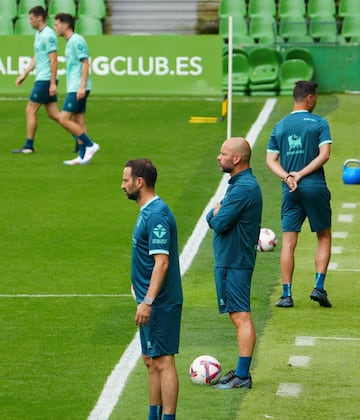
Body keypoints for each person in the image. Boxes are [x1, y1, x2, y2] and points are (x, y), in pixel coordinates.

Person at [121, 159, 183, 420]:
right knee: (150, 360)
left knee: (163, 361)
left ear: (139, 182)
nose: (122, 186)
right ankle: (153, 415)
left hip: (160, 302)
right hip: (151, 300)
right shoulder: (148, 211)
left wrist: (147, 301)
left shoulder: (156, 214)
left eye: (125, 180)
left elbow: (162, 262)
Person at [266, 80, 332, 308]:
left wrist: (288, 177)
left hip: (290, 190)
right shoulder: (319, 123)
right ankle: (318, 287)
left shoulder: (280, 125)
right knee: (323, 236)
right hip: (314, 186)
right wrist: (301, 174)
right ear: (310, 97)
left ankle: (286, 295)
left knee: (288, 242)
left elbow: (270, 160)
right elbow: (324, 155)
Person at [206, 137, 262, 389]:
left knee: (241, 316)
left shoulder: (243, 188)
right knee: (237, 315)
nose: (219, 157)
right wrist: (217, 212)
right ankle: (240, 372)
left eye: (223, 153)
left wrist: (216, 212)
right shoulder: (239, 184)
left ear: (237, 158)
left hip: (235, 260)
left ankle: (242, 375)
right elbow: (217, 215)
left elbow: (218, 222)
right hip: (232, 258)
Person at [54, 13, 99, 165]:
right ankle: (81, 157)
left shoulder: (76, 40)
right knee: (78, 121)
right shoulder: (70, 42)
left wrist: (81, 86)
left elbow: (85, 63)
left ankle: (90, 145)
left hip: (78, 88)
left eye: (57, 24)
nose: (55, 28)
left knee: (63, 118)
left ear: (65, 25)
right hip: (76, 86)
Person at [12, 6, 58, 154]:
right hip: (43, 78)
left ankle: (28, 146)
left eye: (31, 19)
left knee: (30, 110)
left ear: (39, 18)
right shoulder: (39, 34)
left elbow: (53, 60)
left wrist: (52, 82)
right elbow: (37, 57)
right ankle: (80, 139)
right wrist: (24, 74)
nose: (29, 22)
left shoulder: (48, 35)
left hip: (45, 80)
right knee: (54, 114)